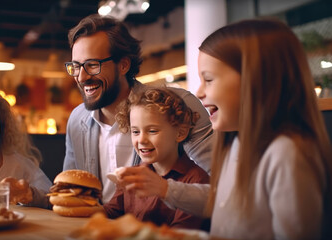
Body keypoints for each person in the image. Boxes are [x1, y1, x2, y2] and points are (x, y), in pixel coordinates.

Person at [116, 19, 332, 239]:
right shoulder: (238, 142)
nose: (199, 92)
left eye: (208, 80)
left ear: (254, 80)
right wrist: (164, 189)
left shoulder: (287, 154)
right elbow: (224, 202)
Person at [63, 14, 213, 203]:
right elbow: (68, 191)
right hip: (96, 228)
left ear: (124, 65)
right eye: (76, 66)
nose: (81, 77)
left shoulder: (177, 103)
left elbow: (221, 183)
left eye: (93, 65)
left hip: (164, 230)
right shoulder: (77, 120)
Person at [102, 87, 209, 229]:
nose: (141, 140)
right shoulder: (132, 175)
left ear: (180, 133)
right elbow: (110, 212)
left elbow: (179, 234)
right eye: (135, 131)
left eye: (152, 131)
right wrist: (82, 205)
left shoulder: (197, 180)